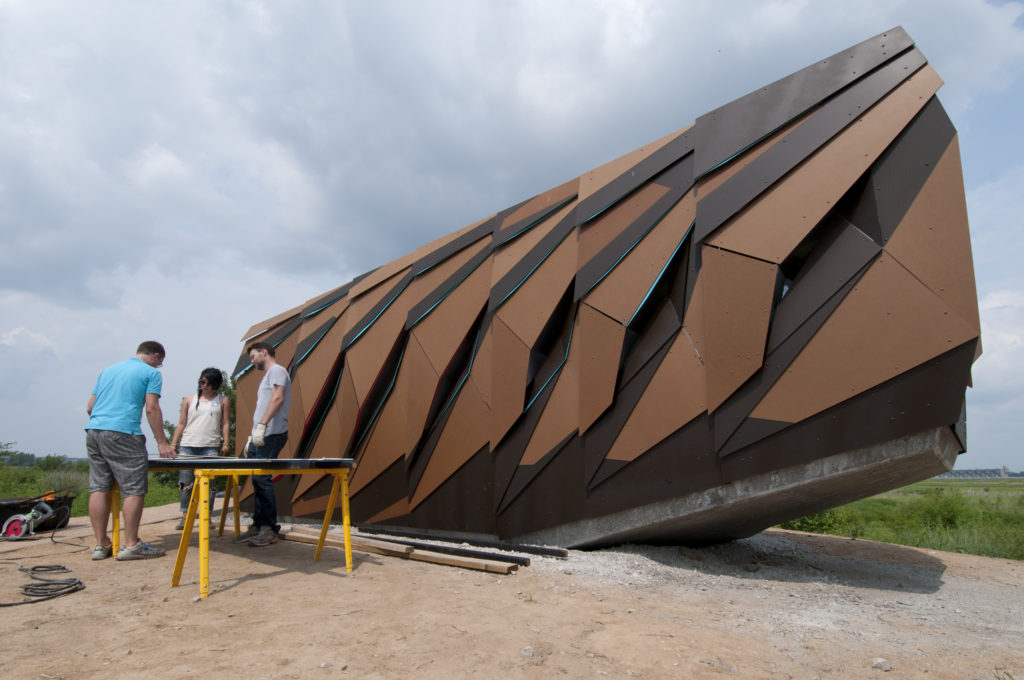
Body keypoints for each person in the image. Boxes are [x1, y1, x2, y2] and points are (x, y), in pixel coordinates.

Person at [85, 340, 175, 561]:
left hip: (94, 431)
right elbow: (152, 408)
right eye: (160, 363)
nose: (159, 367)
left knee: (99, 487)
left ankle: (101, 544)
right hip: (124, 432)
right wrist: (162, 442)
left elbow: (90, 407)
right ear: (155, 356)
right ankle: (131, 544)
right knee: (133, 488)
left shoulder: (108, 371)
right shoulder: (151, 373)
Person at [233, 341, 291, 547]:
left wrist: (262, 426)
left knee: (262, 477)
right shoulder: (269, 375)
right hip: (262, 434)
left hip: (271, 433)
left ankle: (269, 529)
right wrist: (253, 434)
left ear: (263, 352)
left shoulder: (277, 370)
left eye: (253, 357)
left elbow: (278, 398)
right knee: (257, 479)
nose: (252, 361)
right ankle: (259, 525)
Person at [170, 367, 232, 530]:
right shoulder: (189, 399)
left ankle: (207, 515)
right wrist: (173, 444)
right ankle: (185, 515)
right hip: (188, 445)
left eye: (207, 383)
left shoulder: (222, 400)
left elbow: (225, 422)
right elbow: (181, 423)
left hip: (210, 445)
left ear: (215, 384)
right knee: (186, 483)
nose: (204, 386)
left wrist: (226, 442)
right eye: (201, 382)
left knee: (209, 484)